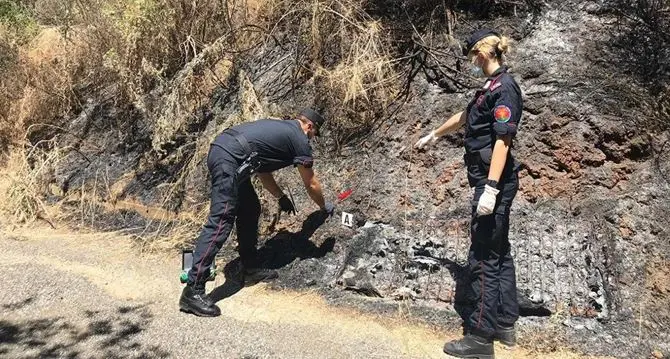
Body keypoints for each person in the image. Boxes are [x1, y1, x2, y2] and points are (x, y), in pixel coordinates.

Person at [415, 29, 523, 359]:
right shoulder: (488, 89)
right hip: (488, 179)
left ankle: (480, 337)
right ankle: (504, 323)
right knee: (498, 251)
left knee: (482, 258)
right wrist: (433, 134)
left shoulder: (505, 88)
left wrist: (490, 189)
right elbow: (465, 118)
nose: (472, 61)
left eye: (474, 55)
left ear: (484, 53)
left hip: (494, 182)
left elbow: (503, 141)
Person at [180, 108, 335, 317]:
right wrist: (323, 206)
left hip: (227, 151)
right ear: (309, 126)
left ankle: (249, 266)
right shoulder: (299, 138)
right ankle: (193, 290)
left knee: (250, 208)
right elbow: (311, 182)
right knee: (221, 220)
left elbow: (262, 171)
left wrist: (280, 197)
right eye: (314, 134)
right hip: (229, 158)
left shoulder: (282, 130)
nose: (311, 139)